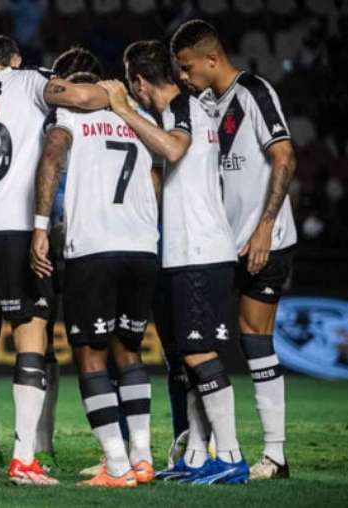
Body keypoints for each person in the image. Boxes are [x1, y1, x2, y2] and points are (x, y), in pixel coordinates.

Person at [0, 34, 114, 486]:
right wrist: (117, 95)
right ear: (13, 59)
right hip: (15, 226)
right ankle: (23, 458)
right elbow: (80, 96)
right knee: (30, 337)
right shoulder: (30, 80)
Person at [99, 39, 249, 485]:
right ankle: (200, 458)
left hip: (200, 252)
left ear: (140, 82)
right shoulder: (176, 111)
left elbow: (175, 149)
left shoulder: (182, 107)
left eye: (132, 87)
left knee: (200, 355)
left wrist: (123, 110)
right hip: (182, 253)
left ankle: (233, 457)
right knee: (186, 359)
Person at [171, 19, 297, 480]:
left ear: (211, 58)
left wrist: (265, 227)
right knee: (200, 346)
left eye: (187, 67)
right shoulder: (204, 104)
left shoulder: (252, 93)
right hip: (220, 246)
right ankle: (201, 451)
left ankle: (275, 454)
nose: (183, 76)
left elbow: (285, 156)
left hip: (265, 241)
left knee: (254, 339)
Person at [31, 70, 158, 488]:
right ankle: (142, 458)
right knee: (129, 351)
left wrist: (40, 224)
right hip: (142, 246)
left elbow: (52, 155)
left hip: (94, 248)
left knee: (89, 354)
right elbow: (155, 179)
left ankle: (117, 466)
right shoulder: (137, 116)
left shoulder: (69, 117)